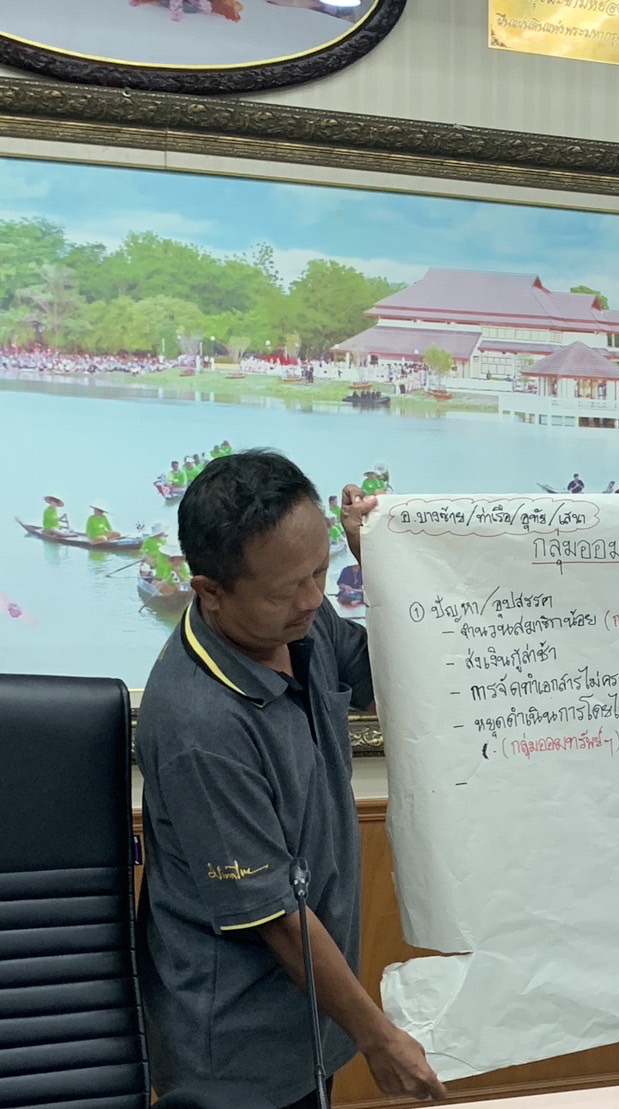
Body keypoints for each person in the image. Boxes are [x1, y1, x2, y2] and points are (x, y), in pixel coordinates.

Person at [134, 449, 446, 1109]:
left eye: (321, 573)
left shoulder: (298, 620)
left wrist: (380, 562)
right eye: (286, 589)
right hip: (234, 1054)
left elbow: (387, 675)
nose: (312, 601)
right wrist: (379, 1037)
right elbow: (275, 920)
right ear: (210, 590)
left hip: (310, 1018)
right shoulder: (200, 726)